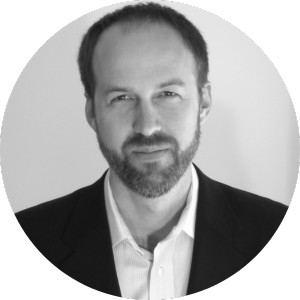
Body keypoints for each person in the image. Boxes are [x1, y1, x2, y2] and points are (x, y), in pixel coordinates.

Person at [15, 2, 288, 298]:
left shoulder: (273, 229)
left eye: (168, 94)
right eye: (121, 97)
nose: (147, 127)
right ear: (92, 112)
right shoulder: (31, 235)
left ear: (203, 103)